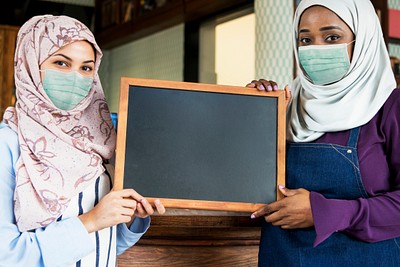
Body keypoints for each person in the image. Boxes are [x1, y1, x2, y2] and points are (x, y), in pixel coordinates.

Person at [0, 15, 165, 266]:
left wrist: (129, 217)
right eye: (61, 63)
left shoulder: (101, 141)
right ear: (30, 64)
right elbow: (7, 255)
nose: (76, 77)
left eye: (86, 68)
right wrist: (91, 220)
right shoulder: (8, 143)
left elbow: (101, 245)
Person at [246, 0, 400, 266]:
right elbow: (245, 186)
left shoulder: (390, 107)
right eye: (305, 40)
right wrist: (250, 114)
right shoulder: (285, 105)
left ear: (364, 40)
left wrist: (325, 213)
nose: (316, 49)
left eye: (332, 37)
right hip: (283, 258)